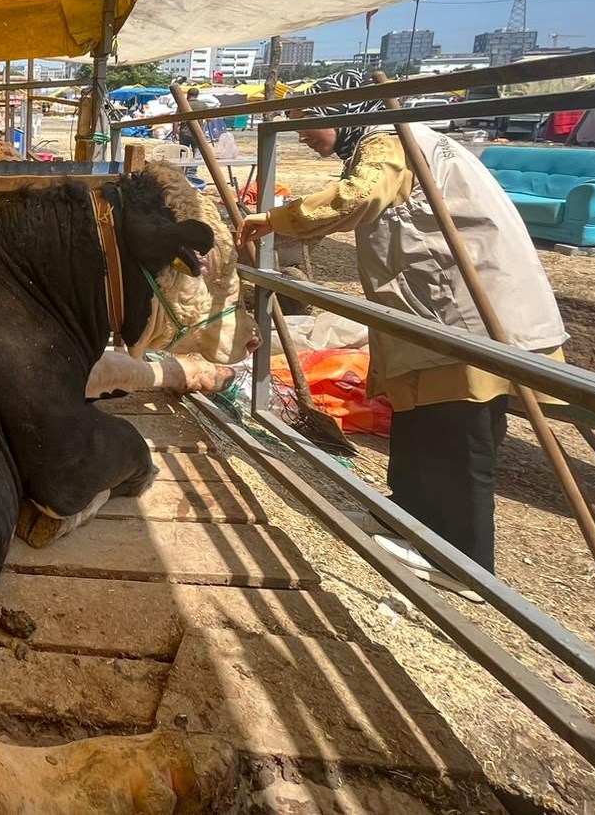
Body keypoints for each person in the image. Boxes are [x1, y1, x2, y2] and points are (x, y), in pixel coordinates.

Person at [237, 69, 566, 599]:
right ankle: (408, 522)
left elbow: (356, 199)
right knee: (420, 425)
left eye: (305, 124)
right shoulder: (403, 141)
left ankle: (463, 562)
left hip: (466, 312)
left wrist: (275, 220)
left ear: (340, 116)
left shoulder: (389, 142)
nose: (301, 135)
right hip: (438, 312)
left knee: (458, 438)